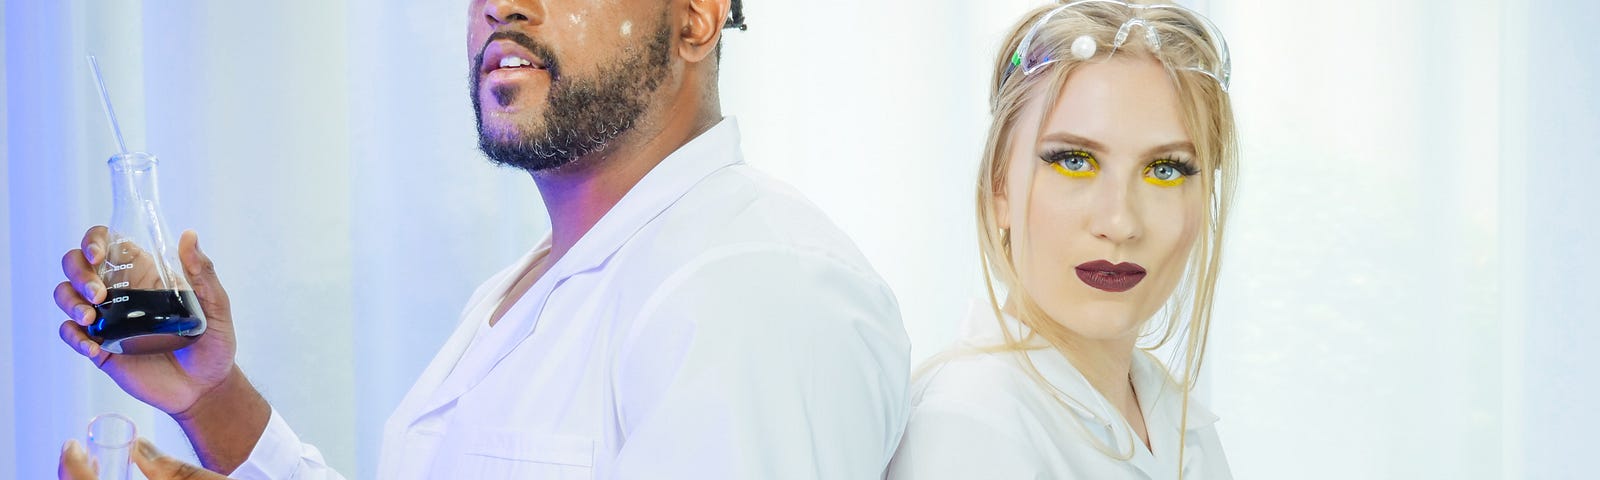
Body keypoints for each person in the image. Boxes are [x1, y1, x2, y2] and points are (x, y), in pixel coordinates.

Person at [54, 0, 911, 478]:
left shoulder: (754, 294)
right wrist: (212, 401)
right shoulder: (527, 288)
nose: (502, 5)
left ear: (695, 19)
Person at [886, 1, 1236, 478]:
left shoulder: (1171, 416)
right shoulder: (970, 426)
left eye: (1165, 169)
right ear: (998, 187)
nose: (1120, 221)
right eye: (1075, 160)